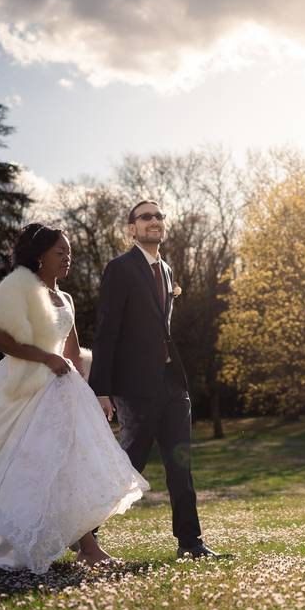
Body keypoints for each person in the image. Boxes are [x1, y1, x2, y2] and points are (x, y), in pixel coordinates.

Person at [0, 223, 148, 574]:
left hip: (63, 392)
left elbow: (72, 351)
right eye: (60, 252)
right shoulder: (20, 290)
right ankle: (24, 538)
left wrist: (96, 394)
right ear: (40, 257)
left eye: (69, 252)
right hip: (24, 389)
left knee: (70, 465)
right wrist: (45, 358)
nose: (68, 258)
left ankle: (88, 547)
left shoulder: (65, 298)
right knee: (29, 466)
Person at [89, 200, 220, 559]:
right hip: (135, 387)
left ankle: (190, 544)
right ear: (131, 228)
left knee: (181, 466)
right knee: (127, 464)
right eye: (145, 217)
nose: (154, 221)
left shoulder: (166, 269)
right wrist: (101, 389)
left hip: (172, 384)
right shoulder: (120, 269)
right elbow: (107, 331)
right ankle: (85, 535)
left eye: (159, 216)